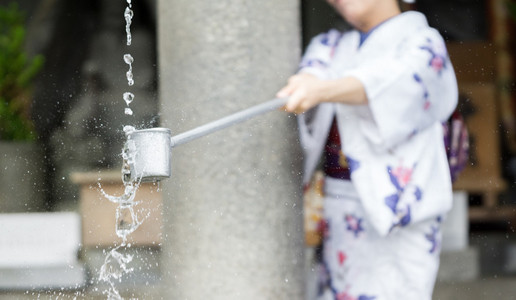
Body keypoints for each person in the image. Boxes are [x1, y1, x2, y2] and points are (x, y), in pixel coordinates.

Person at [277, 0, 458, 299]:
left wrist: (322, 89)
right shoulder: (332, 44)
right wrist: (307, 83)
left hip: (399, 208)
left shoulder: (424, 43)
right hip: (337, 202)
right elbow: (312, 73)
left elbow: (395, 83)